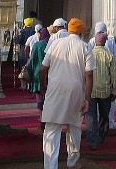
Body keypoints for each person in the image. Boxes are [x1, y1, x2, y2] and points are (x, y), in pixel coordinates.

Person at [39, 18, 95, 169]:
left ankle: (50, 166)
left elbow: (43, 69)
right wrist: (87, 99)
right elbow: (89, 74)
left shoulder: (55, 43)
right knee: (74, 128)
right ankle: (72, 162)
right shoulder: (85, 46)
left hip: (55, 89)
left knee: (51, 129)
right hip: (76, 91)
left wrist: (43, 85)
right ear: (81, 32)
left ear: (68, 30)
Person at [85, 22, 116, 130]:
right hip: (107, 78)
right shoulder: (110, 40)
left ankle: (95, 130)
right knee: (108, 107)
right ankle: (109, 127)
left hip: (94, 79)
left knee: (93, 108)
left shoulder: (92, 42)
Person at [26, 30, 49, 109]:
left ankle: (41, 115)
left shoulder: (37, 45)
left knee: (39, 95)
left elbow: (32, 59)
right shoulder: (51, 43)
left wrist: (28, 70)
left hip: (37, 72)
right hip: (49, 73)